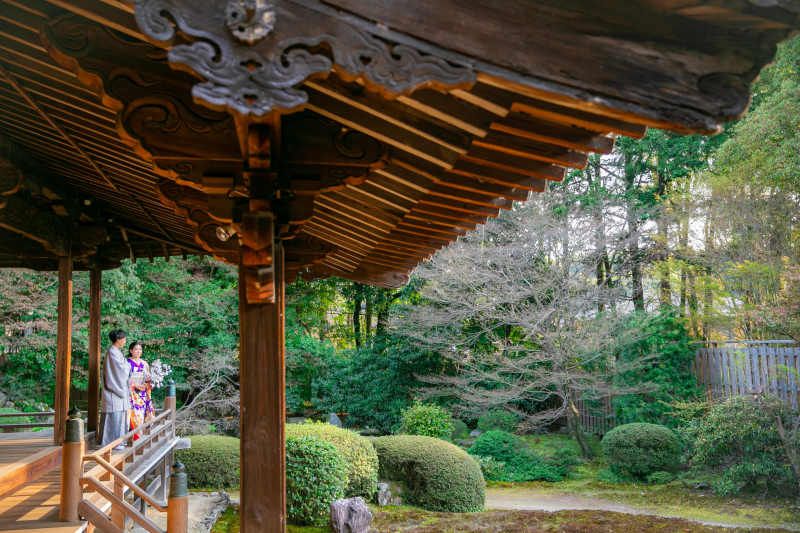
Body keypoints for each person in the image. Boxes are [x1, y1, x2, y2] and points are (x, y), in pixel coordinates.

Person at [100, 329, 131, 449]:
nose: (124, 342)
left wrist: (126, 365)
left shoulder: (115, 352)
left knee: (118, 418)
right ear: (118, 339)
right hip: (114, 391)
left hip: (118, 390)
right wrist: (128, 365)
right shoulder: (112, 353)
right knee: (113, 418)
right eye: (123, 339)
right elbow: (121, 371)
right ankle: (112, 443)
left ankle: (118, 441)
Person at [128, 341, 155, 440]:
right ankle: (136, 438)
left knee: (142, 415)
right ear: (131, 350)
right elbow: (125, 380)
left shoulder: (144, 363)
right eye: (136, 349)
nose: (138, 351)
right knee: (135, 416)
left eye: (140, 349)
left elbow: (148, 379)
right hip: (132, 394)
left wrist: (148, 384)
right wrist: (135, 385)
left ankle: (142, 437)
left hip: (142, 394)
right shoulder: (127, 363)